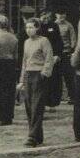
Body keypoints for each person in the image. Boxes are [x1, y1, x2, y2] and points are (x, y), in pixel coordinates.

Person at [18, 18, 54, 147]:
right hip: (28, 75)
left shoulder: (43, 41)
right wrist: (22, 80)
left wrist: (44, 73)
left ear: (37, 28)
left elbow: (49, 58)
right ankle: (38, 135)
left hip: (39, 75)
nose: (28, 30)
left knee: (37, 106)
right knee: (28, 106)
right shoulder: (26, 42)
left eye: (31, 27)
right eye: (27, 27)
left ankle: (32, 136)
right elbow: (24, 62)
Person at [40, 11, 65, 111]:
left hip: (53, 58)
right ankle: (43, 103)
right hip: (42, 57)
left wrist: (58, 55)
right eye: (43, 16)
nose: (45, 18)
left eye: (47, 16)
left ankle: (52, 103)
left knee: (54, 81)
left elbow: (59, 41)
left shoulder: (54, 26)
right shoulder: (38, 27)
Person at [55, 9, 77, 103]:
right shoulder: (53, 25)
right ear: (56, 15)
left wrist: (72, 50)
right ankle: (56, 97)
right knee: (56, 77)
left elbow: (73, 39)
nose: (61, 16)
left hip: (66, 53)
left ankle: (72, 97)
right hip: (56, 55)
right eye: (60, 14)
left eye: (63, 14)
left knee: (69, 76)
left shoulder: (69, 25)